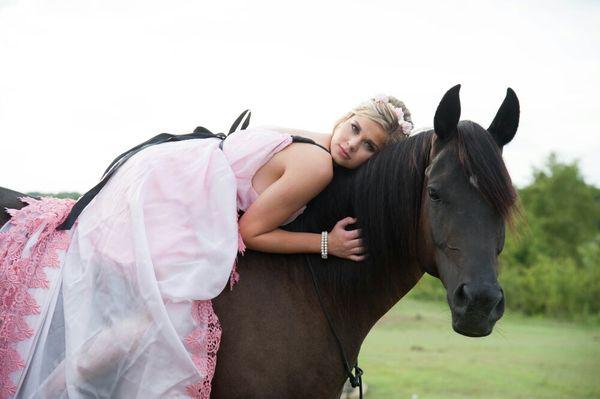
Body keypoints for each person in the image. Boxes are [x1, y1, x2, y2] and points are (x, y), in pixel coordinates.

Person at [2, 95, 413, 398]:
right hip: (184, 198)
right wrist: (326, 243)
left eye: (369, 147)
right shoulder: (318, 165)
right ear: (347, 116)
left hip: (177, 174)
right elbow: (253, 233)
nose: (353, 145)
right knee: (159, 316)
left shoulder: (314, 138)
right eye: (356, 129)